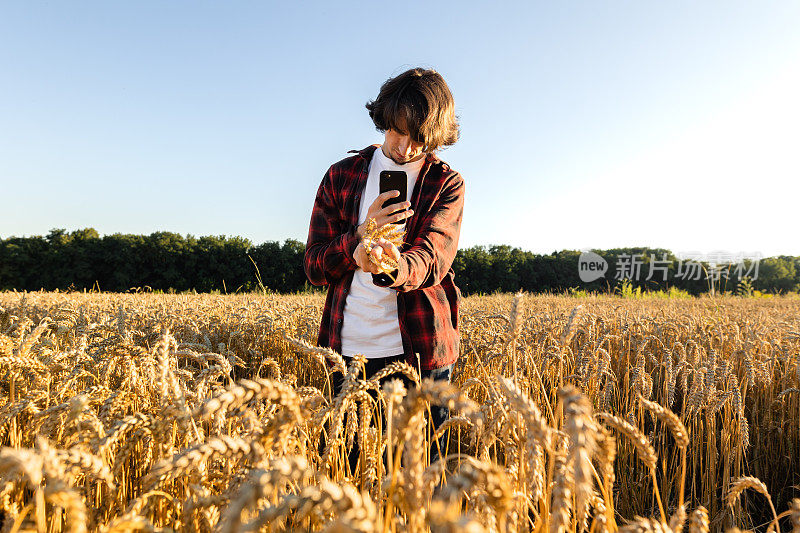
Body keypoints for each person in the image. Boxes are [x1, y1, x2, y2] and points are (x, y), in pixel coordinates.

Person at [303, 67, 464, 468]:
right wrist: (356, 243)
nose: (405, 147)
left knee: (420, 482)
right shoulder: (341, 175)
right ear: (384, 120)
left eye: (420, 140)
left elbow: (433, 257)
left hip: (421, 355)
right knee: (345, 475)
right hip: (348, 354)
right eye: (398, 131)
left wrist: (394, 265)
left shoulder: (447, 183)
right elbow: (313, 264)